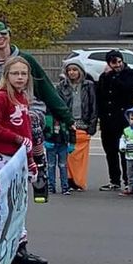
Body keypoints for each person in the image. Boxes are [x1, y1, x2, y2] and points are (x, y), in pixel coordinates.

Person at [0, 55, 48, 264]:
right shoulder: (0, 98)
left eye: (23, 73)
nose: (20, 77)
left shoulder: (22, 99)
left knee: (19, 204)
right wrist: (17, 139)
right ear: (7, 75)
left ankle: (20, 246)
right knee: (3, 202)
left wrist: (31, 160)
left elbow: (27, 133)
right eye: (15, 73)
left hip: (19, 158)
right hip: (2, 157)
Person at [0, 19, 71, 127]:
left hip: (26, 118)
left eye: (3, 33)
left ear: (9, 34)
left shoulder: (26, 60)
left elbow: (46, 90)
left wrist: (67, 118)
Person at [96, 50, 133, 191]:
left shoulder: (131, 74)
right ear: (108, 63)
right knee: (110, 151)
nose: (117, 65)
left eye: (119, 61)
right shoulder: (105, 77)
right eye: (114, 62)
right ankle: (114, 180)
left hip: (123, 120)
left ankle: (128, 181)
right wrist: (106, 75)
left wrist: (113, 76)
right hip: (107, 120)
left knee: (124, 151)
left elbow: (126, 89)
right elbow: (100, 95)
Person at [57, 60, 97, 192]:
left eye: (75, 69)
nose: (72, 72)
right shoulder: (61, 86)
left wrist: (92, 125)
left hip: (83, 124)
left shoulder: (89, 85)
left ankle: (79, 181)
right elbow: (58, 106)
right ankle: (68, 180)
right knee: (67, 155)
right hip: (68, 124)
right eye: (69, 70)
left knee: (80, 157)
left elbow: (93, 106)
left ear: (80, 71)